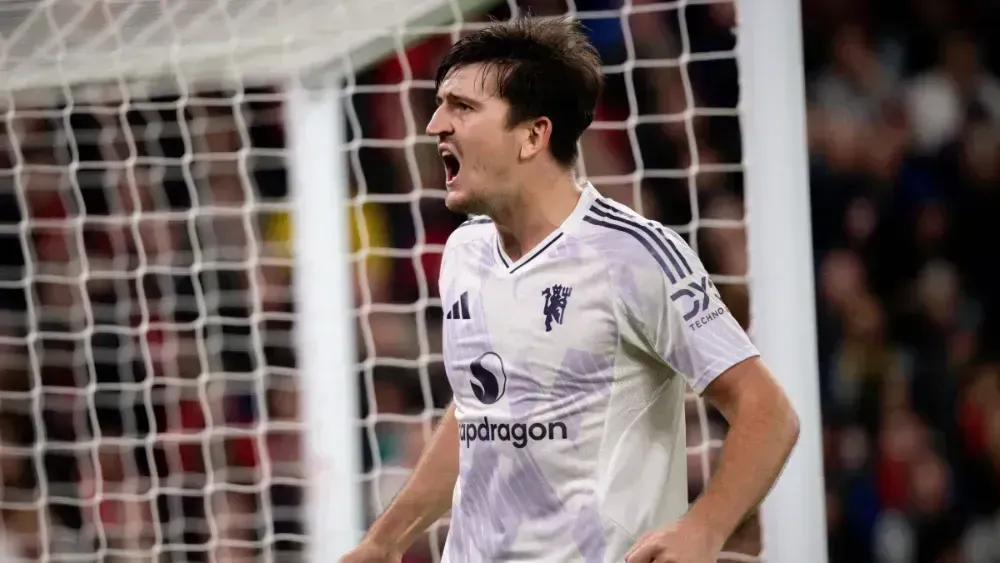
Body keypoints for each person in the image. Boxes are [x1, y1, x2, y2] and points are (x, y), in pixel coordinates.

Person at [341, 16, 800, 563]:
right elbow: (478, 414)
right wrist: (385, 540)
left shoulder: (633, 254)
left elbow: (768, 411)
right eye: (440, 104)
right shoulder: (464, 253)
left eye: (462, 107)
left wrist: (704, 528)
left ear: (533, 135)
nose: (436, 123)